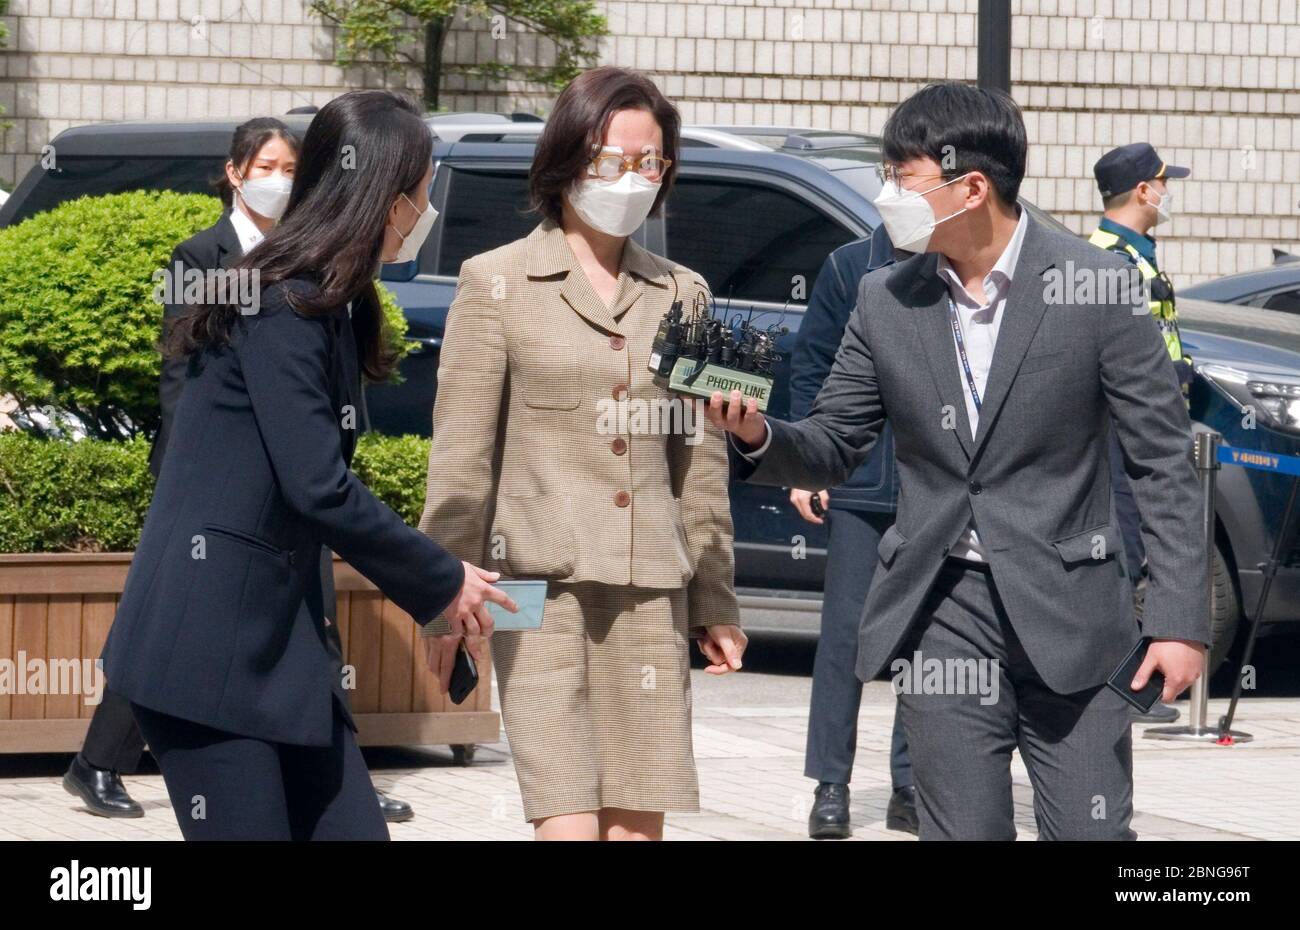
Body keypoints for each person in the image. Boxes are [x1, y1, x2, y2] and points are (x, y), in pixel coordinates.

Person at [706, 82, 1209, 840]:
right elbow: (836, 440)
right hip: (944, 610)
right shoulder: (885, 299)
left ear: (971, 187)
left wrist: (1178, 621)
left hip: (1072, 609)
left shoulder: (1095, 286)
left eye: (899, 178)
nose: (885, 196)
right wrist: (756, 437)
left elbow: (1163, 461)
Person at [99, 90, 513, 840]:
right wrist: (441, 579)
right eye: (421, 193)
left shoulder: (332, 302)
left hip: (282, 653)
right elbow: (317, 484)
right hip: (211, 655)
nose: (427, 210)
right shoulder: (283, 304)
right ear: (386, 202)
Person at [417, 66, 747, 841]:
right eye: (611, 159)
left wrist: (716, 600)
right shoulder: (491, 281)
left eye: (649, 162)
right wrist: (442, 593)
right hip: (536, 591)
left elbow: (700, 463)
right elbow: (462, 458)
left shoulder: (688, 294)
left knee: (635, 830)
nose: (631, 178)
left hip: (650, 590)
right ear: (567, 160)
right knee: (566, 824)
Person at [64, 117, 414, 824]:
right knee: (198, 648)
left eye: (290, 167)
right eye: (265, 166)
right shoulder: (209, 259)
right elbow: (184, 377)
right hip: (226, 511)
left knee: (311, 630)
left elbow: (324, 439)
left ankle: (325, 752)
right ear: (234, 172)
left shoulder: (334, 289)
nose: (277, 180)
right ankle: (97, 761)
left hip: (288, 515)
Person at [792, 224, 916, 838]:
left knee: (926, 642)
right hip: (860, 484)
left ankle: (911, 785)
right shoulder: (848, 266)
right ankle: (830, 786)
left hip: (935, 490)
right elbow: (811, 366)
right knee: (845, 641)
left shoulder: (957, 260)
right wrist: (806, 466)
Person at [1089, 143, 1193, 725]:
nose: (1168, 193)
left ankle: (1131, 682)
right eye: (1162, 183)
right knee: (1121, 555)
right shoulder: (1108, 260)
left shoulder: (1136, 254)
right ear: (1141, 191)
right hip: (1119, 432)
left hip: (1146, 428)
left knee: (1136, 552)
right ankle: (1125, 685)